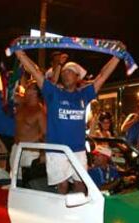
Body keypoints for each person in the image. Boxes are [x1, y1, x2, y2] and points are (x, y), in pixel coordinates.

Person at [15, 49, 121, 194]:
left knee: (81, 186)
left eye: (70, 71)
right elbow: (36, 72)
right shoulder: (53, 93)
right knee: (63, 187)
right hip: (57, 151)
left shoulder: (84, 94)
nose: (66, 74)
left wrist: (117, 57)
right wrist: (21, 54)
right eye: (64, 72)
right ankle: (59, 215)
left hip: (78, 150)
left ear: (78, 77)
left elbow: (103, 75)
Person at [10, 79, 46, 176]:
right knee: (13, 179)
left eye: (29, 87)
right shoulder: (22, 106)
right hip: (16, 148)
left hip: (30, 151)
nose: (26, 89)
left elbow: (45, 134)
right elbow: (11, 96)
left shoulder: (40, 111)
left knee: (26, 181)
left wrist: (42, 153)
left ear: (35, 92)